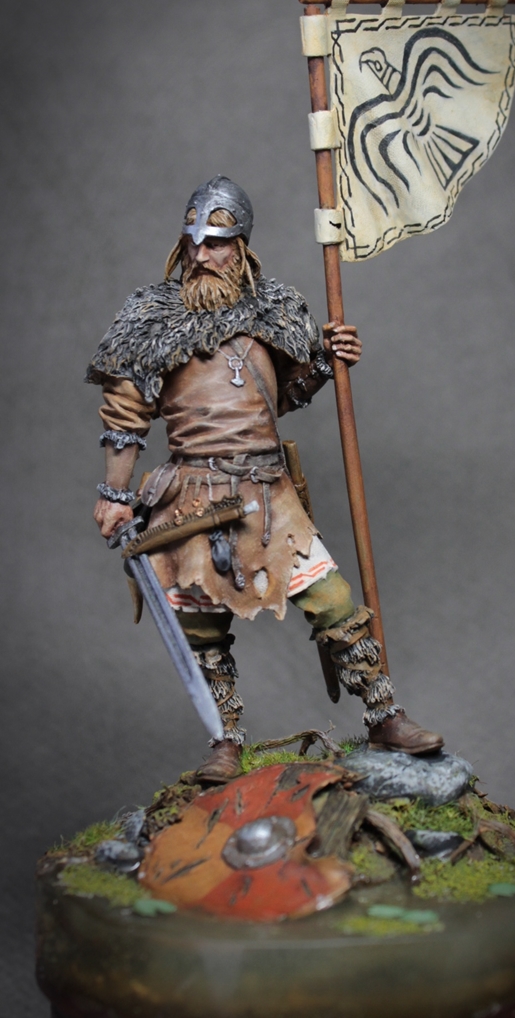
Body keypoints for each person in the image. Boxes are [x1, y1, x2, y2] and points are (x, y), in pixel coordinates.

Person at [87, 176, 443, 780]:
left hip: (267, 493)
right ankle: (225, 740)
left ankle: (384, 715)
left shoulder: (274, 309)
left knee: (331, 600)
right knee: (202, 624)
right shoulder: (149, 317)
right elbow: (125, 417)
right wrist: (116, 496)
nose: (201, 253)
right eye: (193, 241)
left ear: (242, 246)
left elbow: (282, 397)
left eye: (216, 243)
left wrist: (328, 360)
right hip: (192, 495)